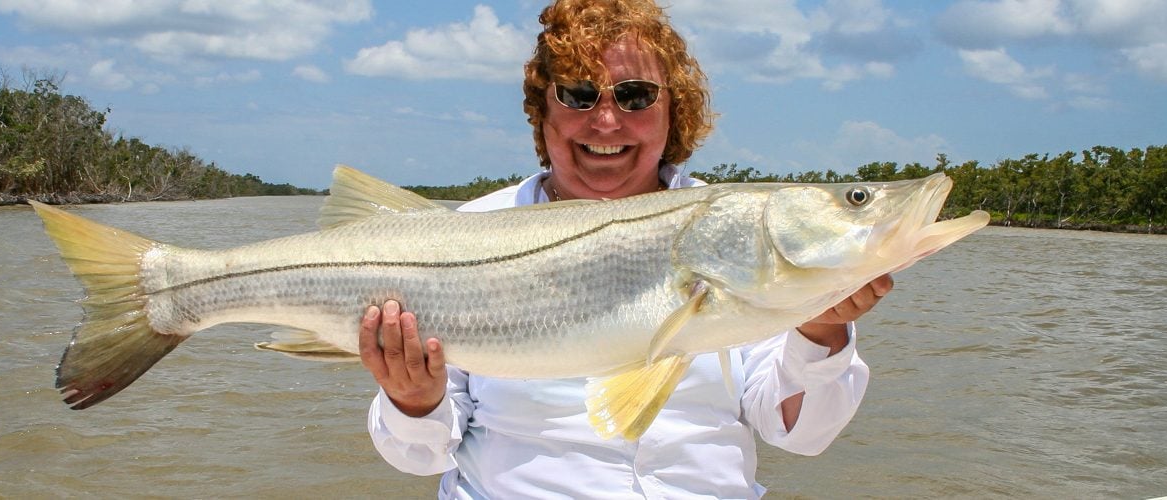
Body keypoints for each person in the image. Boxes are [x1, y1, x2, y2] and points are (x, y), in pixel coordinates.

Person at [358, 0, 893, 497]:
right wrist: (413, 398)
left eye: (636, 95)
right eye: (577, 94)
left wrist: (820, 333)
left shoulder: (741, 230)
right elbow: (419, 457)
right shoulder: (462, 233)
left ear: (672, 112)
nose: (606, 120)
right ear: (542, 111)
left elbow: (799, 435)